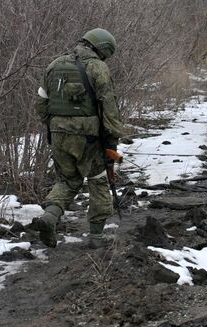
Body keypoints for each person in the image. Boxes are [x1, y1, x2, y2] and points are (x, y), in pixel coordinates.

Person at [33, 28, 123, 248]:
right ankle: (96, 237)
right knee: (99, 179)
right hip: (89, 137)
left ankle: (50, 218)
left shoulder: (54, 65)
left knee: (67, 180)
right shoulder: (98, 68)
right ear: (102, 49)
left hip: (58, 134)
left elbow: (41, 102)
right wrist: (112, 139)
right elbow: (109, 107)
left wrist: (55, 126)